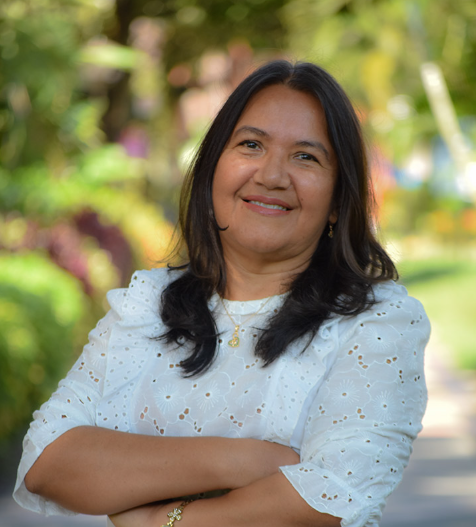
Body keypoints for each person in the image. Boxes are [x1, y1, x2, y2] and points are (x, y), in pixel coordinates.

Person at [14, 60, 430, 527]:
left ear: (337, 200)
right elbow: (46, 461)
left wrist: (156, 521)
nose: (272, 175)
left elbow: (329, 499)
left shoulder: (377, 323)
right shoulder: (147, 305)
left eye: (306, 157)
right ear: (213, 168)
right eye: (251, 145)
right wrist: (243, 460)